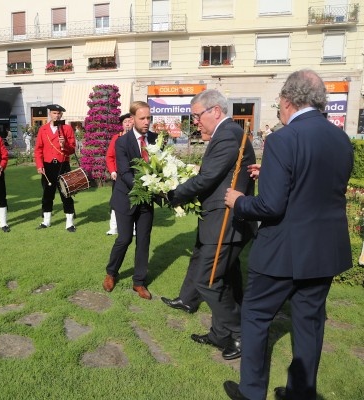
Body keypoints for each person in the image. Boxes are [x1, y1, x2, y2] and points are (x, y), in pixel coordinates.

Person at [222, 69, 354, 400]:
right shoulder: (340, 138)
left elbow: (270, 206)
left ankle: (251, 392)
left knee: (255, 316)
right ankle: (301, 393)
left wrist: (239, 202)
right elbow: (317, 184)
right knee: (309, 325)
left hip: (282, 251)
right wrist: (274, 173)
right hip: (323, 252)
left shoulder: (283, 138)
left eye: (279, 103)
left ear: (287, 100)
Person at [162, 89, 256, 360]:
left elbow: (207, 178)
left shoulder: (227, 134)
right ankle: (219, 334)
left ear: (215, 110)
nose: (196, 122)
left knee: (207, 280)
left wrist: (173, 194)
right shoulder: (226, 133)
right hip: (220, 221)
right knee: (221, 279)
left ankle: (240, 334)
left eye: (197, 116)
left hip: (225, 222)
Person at [102, 101, 159, 300]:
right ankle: (111, 273)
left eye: (148, 118)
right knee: (124, 238)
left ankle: (139, 282)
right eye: (142, 118)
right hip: (126, 197)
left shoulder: (154, 139)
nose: (146, 122)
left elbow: (159, 166)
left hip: (146, 200)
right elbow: (125, 172)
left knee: (143, 240)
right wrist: (144, 184)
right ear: (132, 119)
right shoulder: (122, 142)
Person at [34, 104, 77, 232]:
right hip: (47, 166)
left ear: (61, 115)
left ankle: (69, 223)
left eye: (58, 113)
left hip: (63, 164)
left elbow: (72, 149)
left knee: (66, 194)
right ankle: (46, 221)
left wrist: (64, 145)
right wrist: (39, 165)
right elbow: (38, 150)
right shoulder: (43, 129)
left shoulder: (67, 129)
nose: (56, 115)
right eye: (54, 113)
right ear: (50, 114)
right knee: (47, 194)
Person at [105, 112, 132, 235]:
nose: (128, 124)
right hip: (119, 176)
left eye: (130, 121)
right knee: (116, 201)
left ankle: (134, 228)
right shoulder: (116, 138)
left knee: (134, 201)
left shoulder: (138, 138)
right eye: (125, 122)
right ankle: (114, 227)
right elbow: (110, 156)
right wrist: (112, 171)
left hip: (133, 175)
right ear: (122, 125)